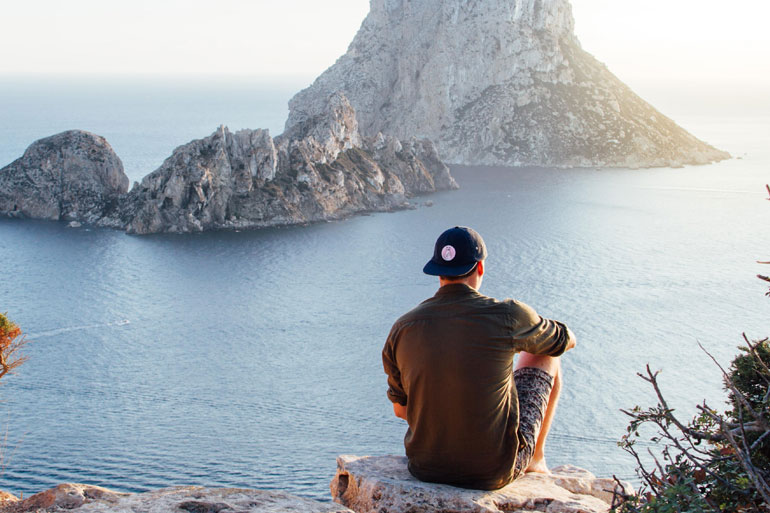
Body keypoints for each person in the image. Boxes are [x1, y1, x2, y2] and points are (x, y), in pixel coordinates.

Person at [382, 226, 576, 490]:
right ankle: (535, 459)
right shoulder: (508, 316)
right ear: (480, 267)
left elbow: (401, 410)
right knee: (547, 354)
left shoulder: (403, 328)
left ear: (438, 272)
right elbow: (565, 340)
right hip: (491, 471)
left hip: (425, 467)